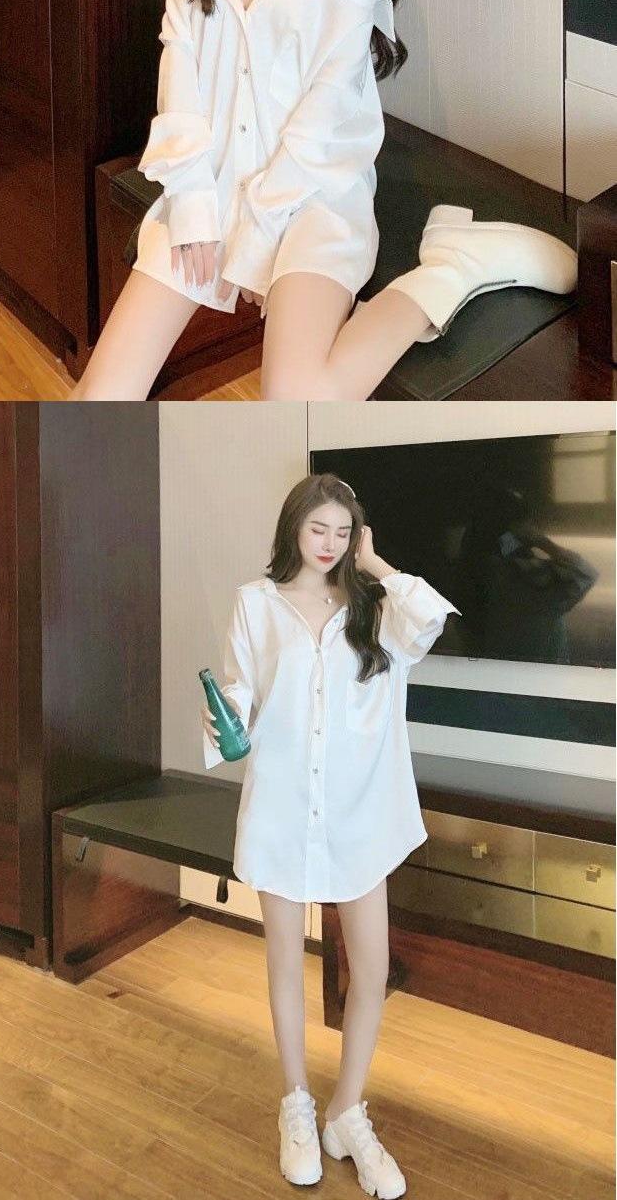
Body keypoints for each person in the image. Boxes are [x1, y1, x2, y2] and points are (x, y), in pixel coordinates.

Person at [70, 0, 576, 400]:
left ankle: (449, 272)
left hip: (311, 188)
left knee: (296, 397)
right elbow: (180, 59)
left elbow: (331, 98)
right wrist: (196, 205)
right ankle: (446, 266)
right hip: (208, 174)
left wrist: (260, 227)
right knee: (100, 397)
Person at [201, 473, 460, 1191]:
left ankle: (347, 1111)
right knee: (285, 962)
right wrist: (224, 719)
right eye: (319, 528)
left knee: (370, 969)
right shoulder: (256, 603)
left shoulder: (377, 606)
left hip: (359, 814)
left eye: (344, 533)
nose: (330, 543)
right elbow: (240, 688)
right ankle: (296, 1104)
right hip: (284, 806)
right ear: (293, 526)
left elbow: (431, 617)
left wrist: (374, 563)